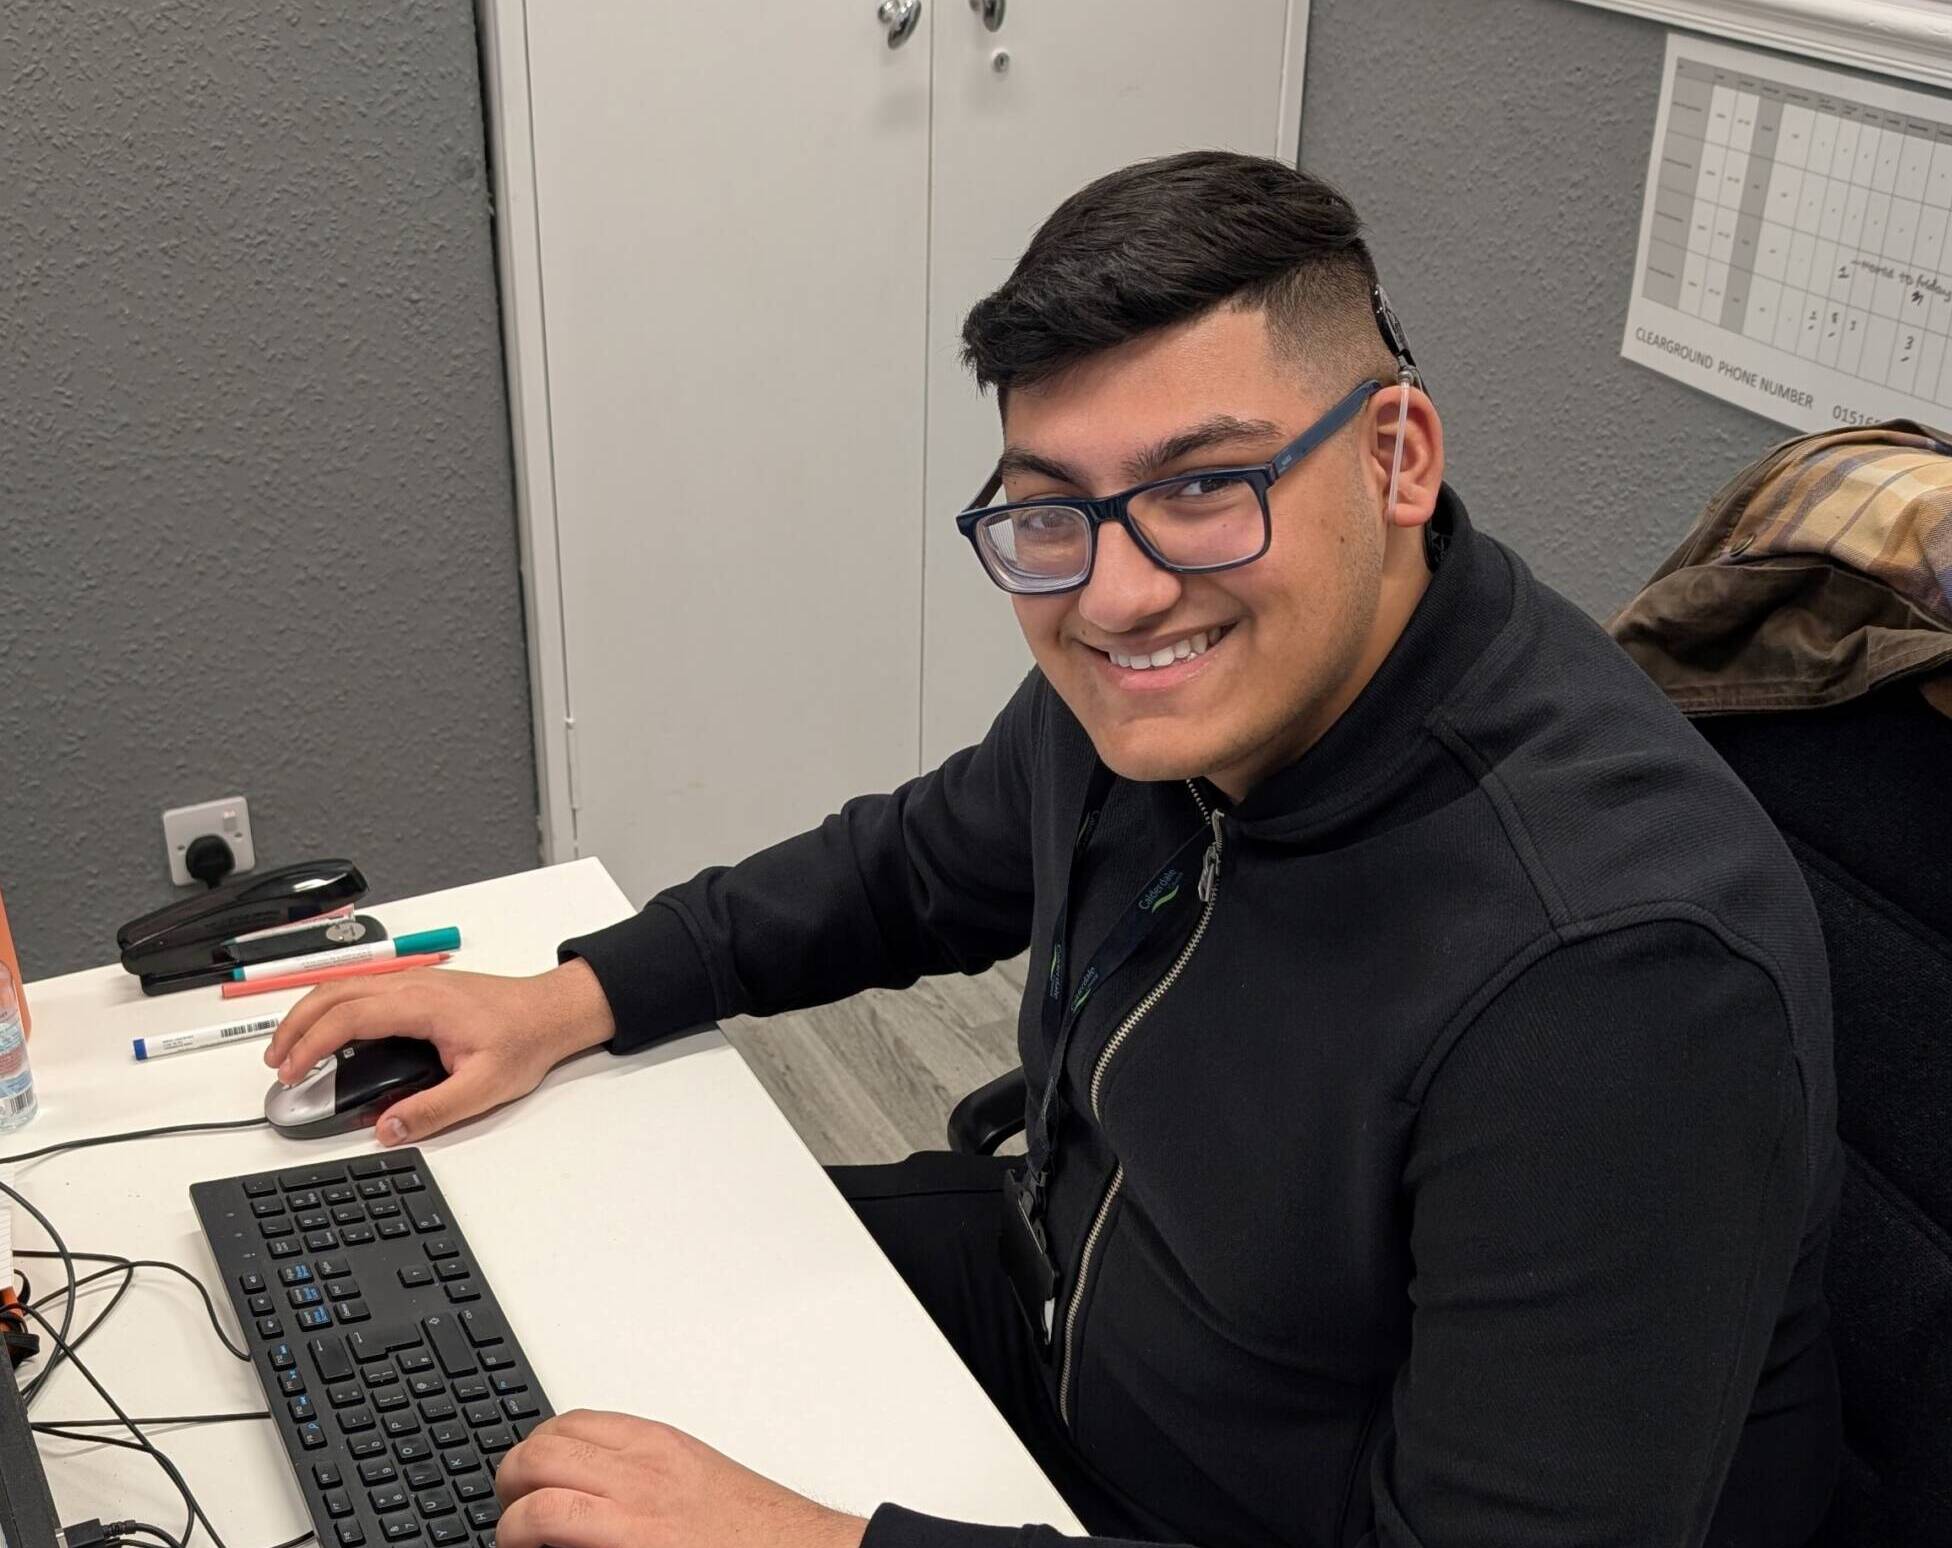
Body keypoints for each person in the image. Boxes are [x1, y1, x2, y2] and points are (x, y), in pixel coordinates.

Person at [265, 152, 1842, 1548]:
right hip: (1070, 1310)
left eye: (1206, 489)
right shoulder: (1173, 710)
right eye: (1050, 511)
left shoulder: (1613, 981)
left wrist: (816, 1544)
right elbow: (907, 869)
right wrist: (570, 995)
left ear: (1395, 459)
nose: (1114, 597)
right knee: (526, 1316)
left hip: (1211, 1501)